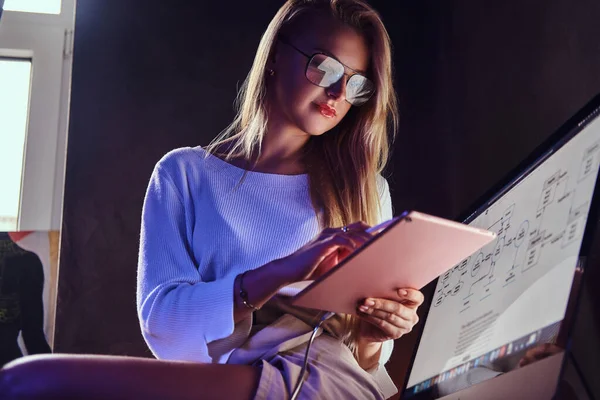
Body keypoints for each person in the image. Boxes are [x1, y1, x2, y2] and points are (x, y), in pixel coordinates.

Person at [0, 1, 423, 399]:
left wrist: (374, 335)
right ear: (275, 56)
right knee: (25, 380)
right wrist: (283, 271)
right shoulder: (184, 174)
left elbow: (364, 363)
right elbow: (164, 326)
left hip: (321, 377)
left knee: (28, 380)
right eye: (325, 68)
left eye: (356, 83)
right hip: (224, 380)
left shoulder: (367, 190)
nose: (338, 94)